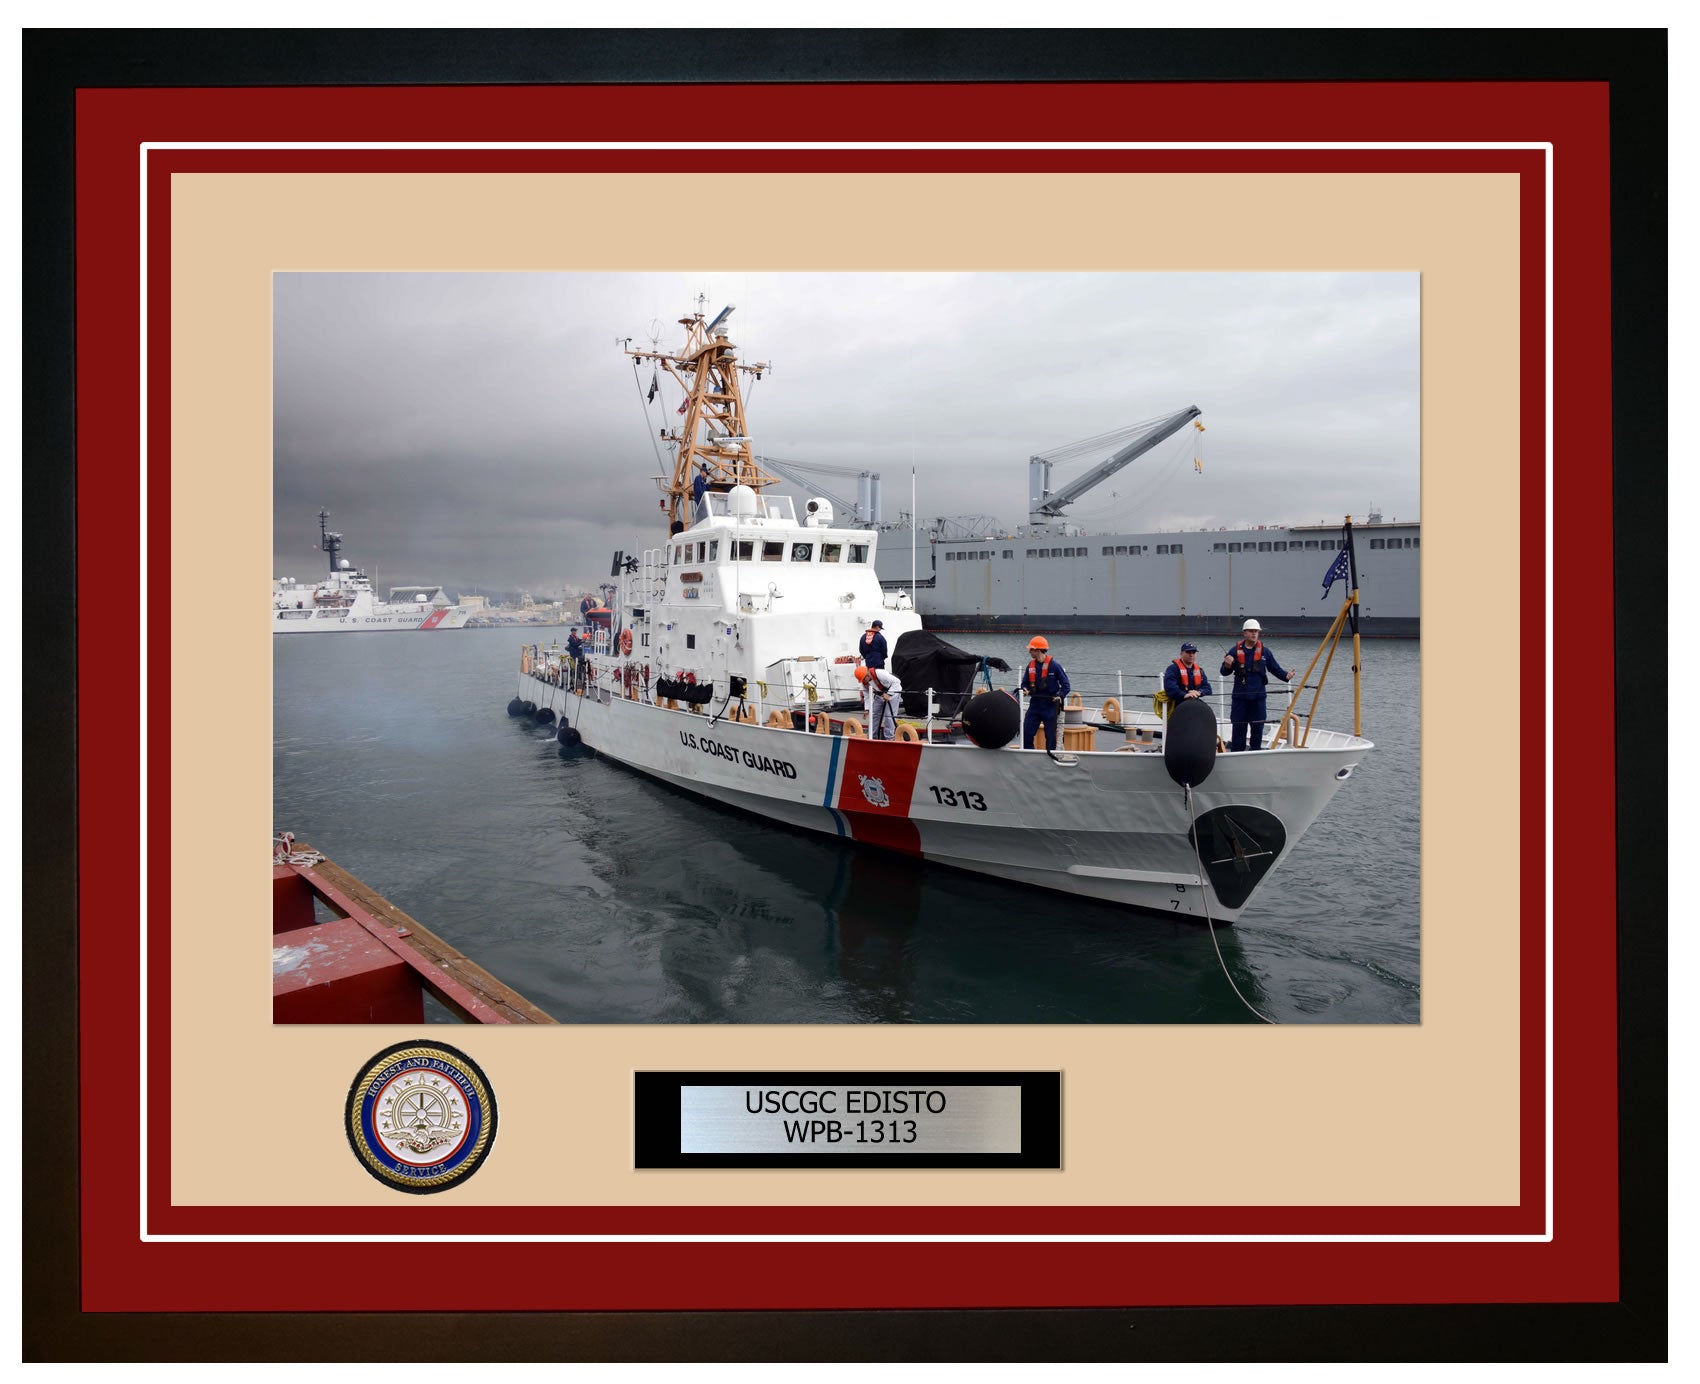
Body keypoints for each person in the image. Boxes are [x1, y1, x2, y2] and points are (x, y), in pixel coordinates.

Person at [1219, 618, 1291, 751]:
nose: (1254, 634)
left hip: (1258, 698)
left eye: (1256, 631)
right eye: (1251, 631)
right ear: (1244, 633)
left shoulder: (1265, 652)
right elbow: (1224, 672)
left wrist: (1286, 676)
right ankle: (1236, 753)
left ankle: (1255, 752)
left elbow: (1275, 668)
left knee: (1258, 727)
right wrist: (1228, 665)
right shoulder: (1234, 651)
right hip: (1240, 698)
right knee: (1239, 727)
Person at [1019, 636, 1071, 750]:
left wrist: (1060, 696)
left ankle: (1050, 758)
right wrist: (1025, 689)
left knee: (1051, 737)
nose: (1029, 651)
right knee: (1026, 732)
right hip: (1035, 705)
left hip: (1050, 705)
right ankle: (1029, 755)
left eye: (1031, 649)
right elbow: (1024, 683)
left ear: (1038, 650)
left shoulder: (1055, 666)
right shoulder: (1030, 666)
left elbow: (1066, 686)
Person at [1162, 641, 1213, 711]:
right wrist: (1184, 695)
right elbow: (1170, 687)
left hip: (1194, 704)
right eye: (1188, 652)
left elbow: (1208, 688)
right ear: (1181, 654)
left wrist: (1199, 692)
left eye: (1193, 653)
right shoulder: (1173, 669)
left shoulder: (1199, 670)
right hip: (1177, 705)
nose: (1191, 655)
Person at [858, 664, 903, 740]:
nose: (863, 681)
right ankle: (872, 737)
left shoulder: (880, 673)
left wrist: (889, 694)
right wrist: (867, 709)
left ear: (867, 674)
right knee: (874, 715)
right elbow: (867, 696)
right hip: (879, 696)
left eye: (863, 679)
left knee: (889, 717)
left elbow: (897, 681)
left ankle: (889, 739)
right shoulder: (864, 683)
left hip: (893, 696)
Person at [566, 627, 585, 691]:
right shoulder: (570, 638)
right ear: (572, 631)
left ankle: (578, 676)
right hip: (573, 654)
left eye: (575, 631)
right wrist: (581, 642)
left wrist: (582, 640)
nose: (575, 632)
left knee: (578, 664)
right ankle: (573, 676)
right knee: (574, 666)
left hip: (577, 653)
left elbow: (578, 640)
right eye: (574, 631)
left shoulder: (575, 637)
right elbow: (575, 644)